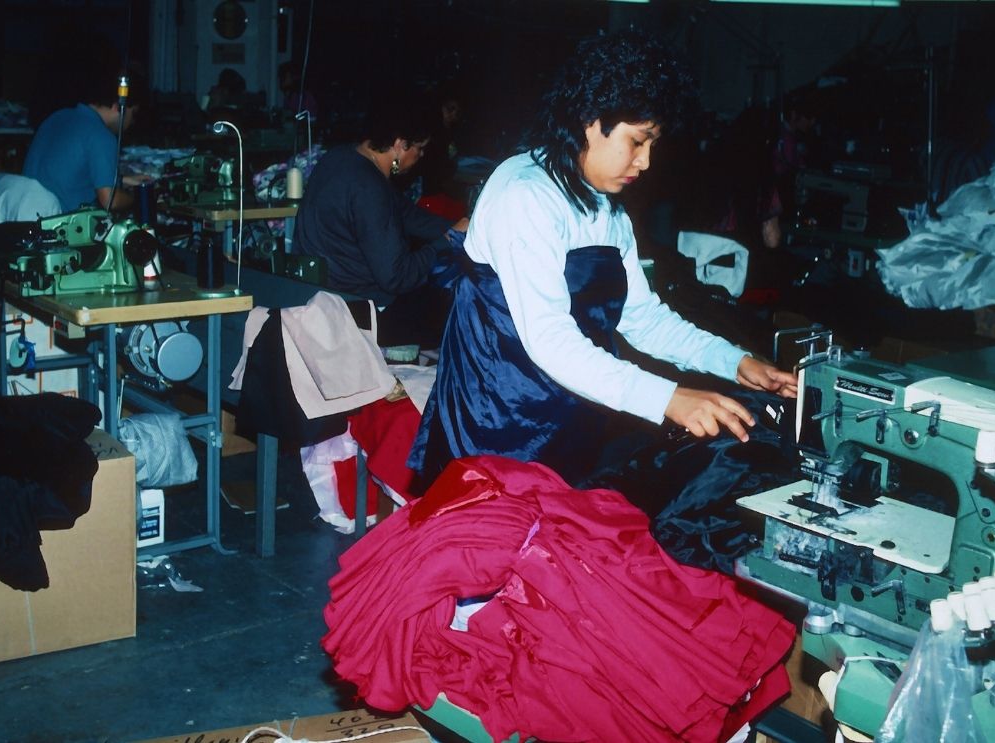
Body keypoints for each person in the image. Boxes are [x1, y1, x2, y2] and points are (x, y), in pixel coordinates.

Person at [409, 31, 797, 491]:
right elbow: (551, 341)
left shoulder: (606, 207)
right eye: (638, 141)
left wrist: (735, 362)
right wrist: (668, 398)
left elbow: (643, 319)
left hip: (569, 411)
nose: (647, 161)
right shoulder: (525, 195)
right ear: (589, 121)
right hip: (498, 424)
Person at [292, 97, 468, 348]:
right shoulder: (369, 186)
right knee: (455, 305)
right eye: (419, 148)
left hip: (321, 297)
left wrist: (455, 226)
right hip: (358, 311)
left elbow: (405, 213)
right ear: (399, 144)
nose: (420, 155)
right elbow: (398, 277)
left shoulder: (339, 159)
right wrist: (447, 241)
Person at [22, 69, 148, 214]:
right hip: (58, 223)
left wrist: (123, 180)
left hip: (27, 214)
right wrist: (140, 197)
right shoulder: (102, 136)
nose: (131, 122)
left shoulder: (58, 116)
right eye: (133, 114)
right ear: (118, 107)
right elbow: (110, 201)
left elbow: (68, 173)